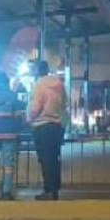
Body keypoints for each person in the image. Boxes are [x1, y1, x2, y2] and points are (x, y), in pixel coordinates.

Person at [27, 59, 66, 201]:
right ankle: (54, 189)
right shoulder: (59, 84)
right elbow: (64, 103)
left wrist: (29, 118)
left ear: (37, 70)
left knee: (45, 159)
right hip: (56, 125)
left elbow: (36, 106)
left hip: (42, 125)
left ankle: (48, 190)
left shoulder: (39, 85)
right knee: (54, 158)